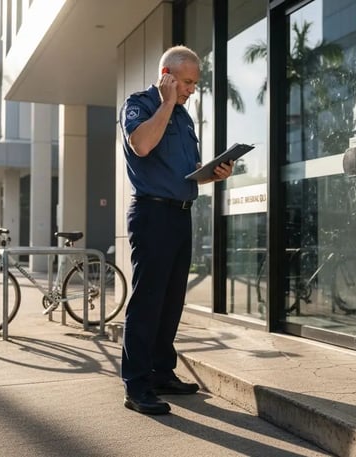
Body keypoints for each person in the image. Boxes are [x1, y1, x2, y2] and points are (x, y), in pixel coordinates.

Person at [118, 45, 234, 415]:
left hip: (181, 214)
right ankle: (136, 386)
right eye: (186, 82)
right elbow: (142, 145)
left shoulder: (183, 118)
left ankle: (161, 372)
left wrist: (212, 172)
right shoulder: (140, 105)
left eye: (194, 84)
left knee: (171, 301)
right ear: (167, 75)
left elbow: (183, 171)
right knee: (148, 300)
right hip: (152, 215)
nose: (190, 90)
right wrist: (167, 103)